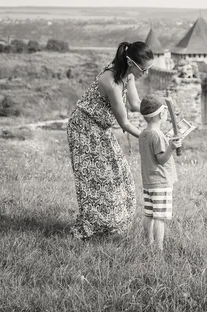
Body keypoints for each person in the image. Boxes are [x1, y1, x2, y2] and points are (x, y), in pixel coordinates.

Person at [67, 41, 154, 240]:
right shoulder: (111, 81)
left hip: (101, 129)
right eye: (144, 69)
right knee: (96, 180)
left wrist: (157, 111)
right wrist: (149, 137)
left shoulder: (129, 74)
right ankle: (91, 228)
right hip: (84, 129)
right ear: (131, 62)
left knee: (120, 176)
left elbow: (134, 105)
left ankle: (110, 228)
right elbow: (124, 123)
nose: (146, 73)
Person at [138, 94, 182, 251]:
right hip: (160, 182)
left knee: (149, 214)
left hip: (148, 182)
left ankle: (148, 243)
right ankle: (158, 248)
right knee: (160, 218)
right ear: (162, 114)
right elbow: (161, 159)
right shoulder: (158, 136)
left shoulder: (143, 134)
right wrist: (171, 147)